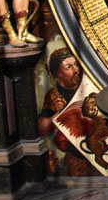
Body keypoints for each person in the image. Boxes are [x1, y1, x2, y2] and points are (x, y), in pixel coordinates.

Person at [38, 47, 94, 176]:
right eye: (68, 67)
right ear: (59, 74)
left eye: (76, 65)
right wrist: (59, 114)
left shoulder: (87, 85)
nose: (76, 70)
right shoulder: (54, 95)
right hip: (75, 154)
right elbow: (42, 128)